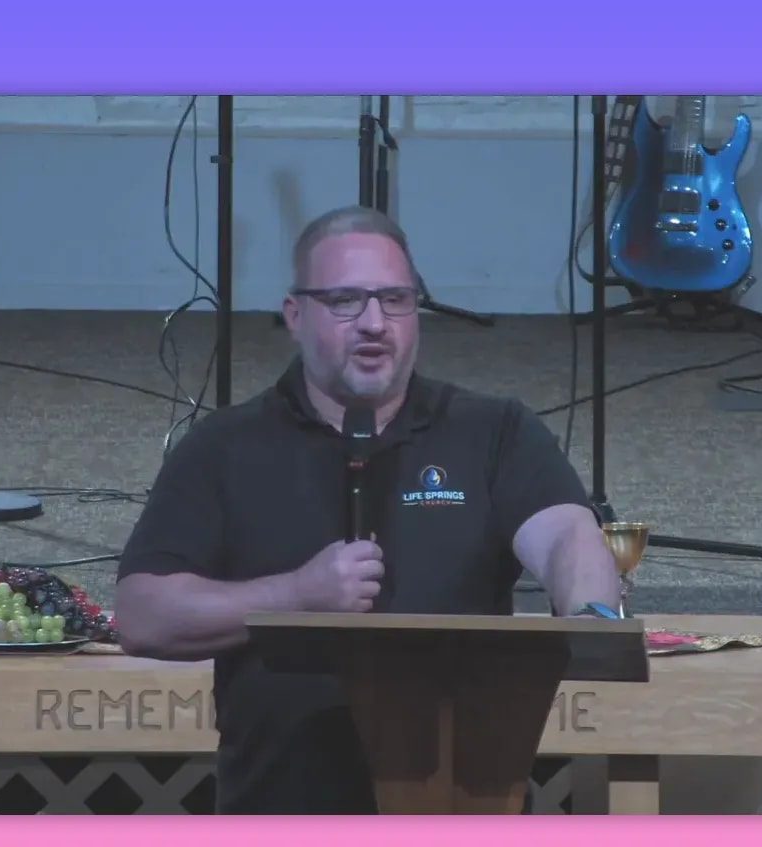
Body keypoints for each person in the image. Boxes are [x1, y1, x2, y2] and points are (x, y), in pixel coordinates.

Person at [114, 204, 624, 813]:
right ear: (295, 315)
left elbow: (567, 533)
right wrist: (295, 596)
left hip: (459, 819)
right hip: (282, 827)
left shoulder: (492, 431)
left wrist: (591, 615)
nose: (375, 322)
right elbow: (143, 614)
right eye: (346, 301)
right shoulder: (226, 446)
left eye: (396, 299)